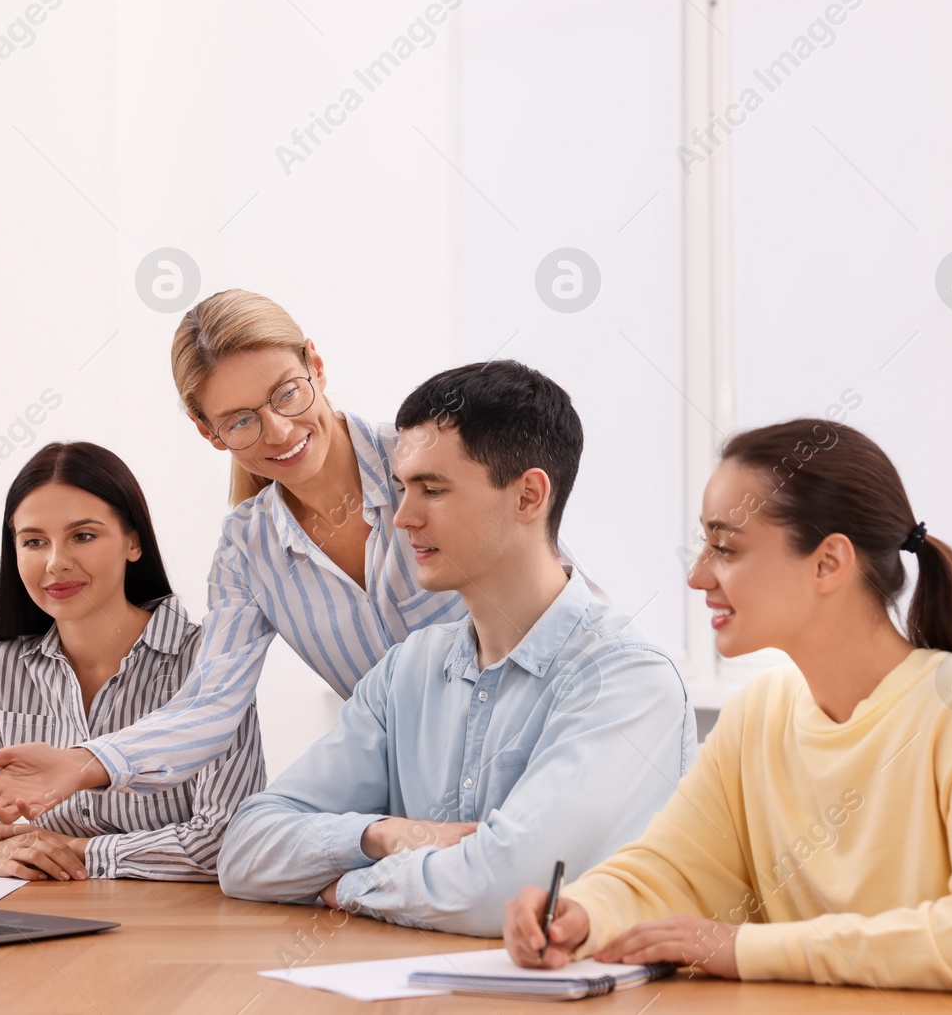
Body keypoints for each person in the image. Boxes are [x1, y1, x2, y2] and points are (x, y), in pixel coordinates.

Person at [502, 419, 952, 999]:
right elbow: (670, 871)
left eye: (726, 548)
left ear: (829, 562)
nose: (698, 575)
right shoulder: (761, 715)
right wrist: (582, 914)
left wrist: (745, 949)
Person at [0, 291, 597, 823]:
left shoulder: (427, 466)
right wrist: (86, 761)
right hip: (417, 800)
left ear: (315, 365)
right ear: (209, 432)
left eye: (286, 394)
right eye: (240, 421)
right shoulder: (248, 549)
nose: (279, 431)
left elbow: (555, 590)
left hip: (539, 755)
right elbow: (210, 705)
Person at [216, 361, 694, 936]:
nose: (403, 518)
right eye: (401, 488)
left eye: (433, 490)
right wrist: (380, 834)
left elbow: (506, 891)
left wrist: (344, 885)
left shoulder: (627, 681)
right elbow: (244, 850)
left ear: (528, 497)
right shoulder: (407, 671)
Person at [0, 442, 265, 881]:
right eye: (34, 542)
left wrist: (79, 851)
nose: (56, 563)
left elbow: (226, 839)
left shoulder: (209, 661)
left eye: (83, 536)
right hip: (55, 923)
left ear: (133, 541)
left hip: (182, 930)